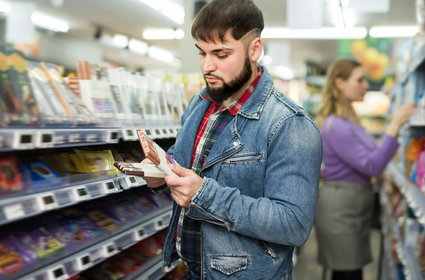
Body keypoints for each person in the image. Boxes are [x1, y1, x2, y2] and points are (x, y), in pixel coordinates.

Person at [142, 0, 322, 279]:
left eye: (221, 54)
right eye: (201, 53)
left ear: (254, 49)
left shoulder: (290, 124)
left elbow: (293, 224)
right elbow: (182, 159)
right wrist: (160, 170)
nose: (207, 66)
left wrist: (204, 194)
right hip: (193, 270)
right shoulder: (200, 103)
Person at [315, 58, 415, 280]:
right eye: (360, 80)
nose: (366, 85)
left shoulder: (348, 120)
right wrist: (395, 126)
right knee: (348, 272)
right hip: (341, 211)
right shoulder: (338, 125)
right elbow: (373, 165)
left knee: (351, 270)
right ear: (339, 83)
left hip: (352, 206)